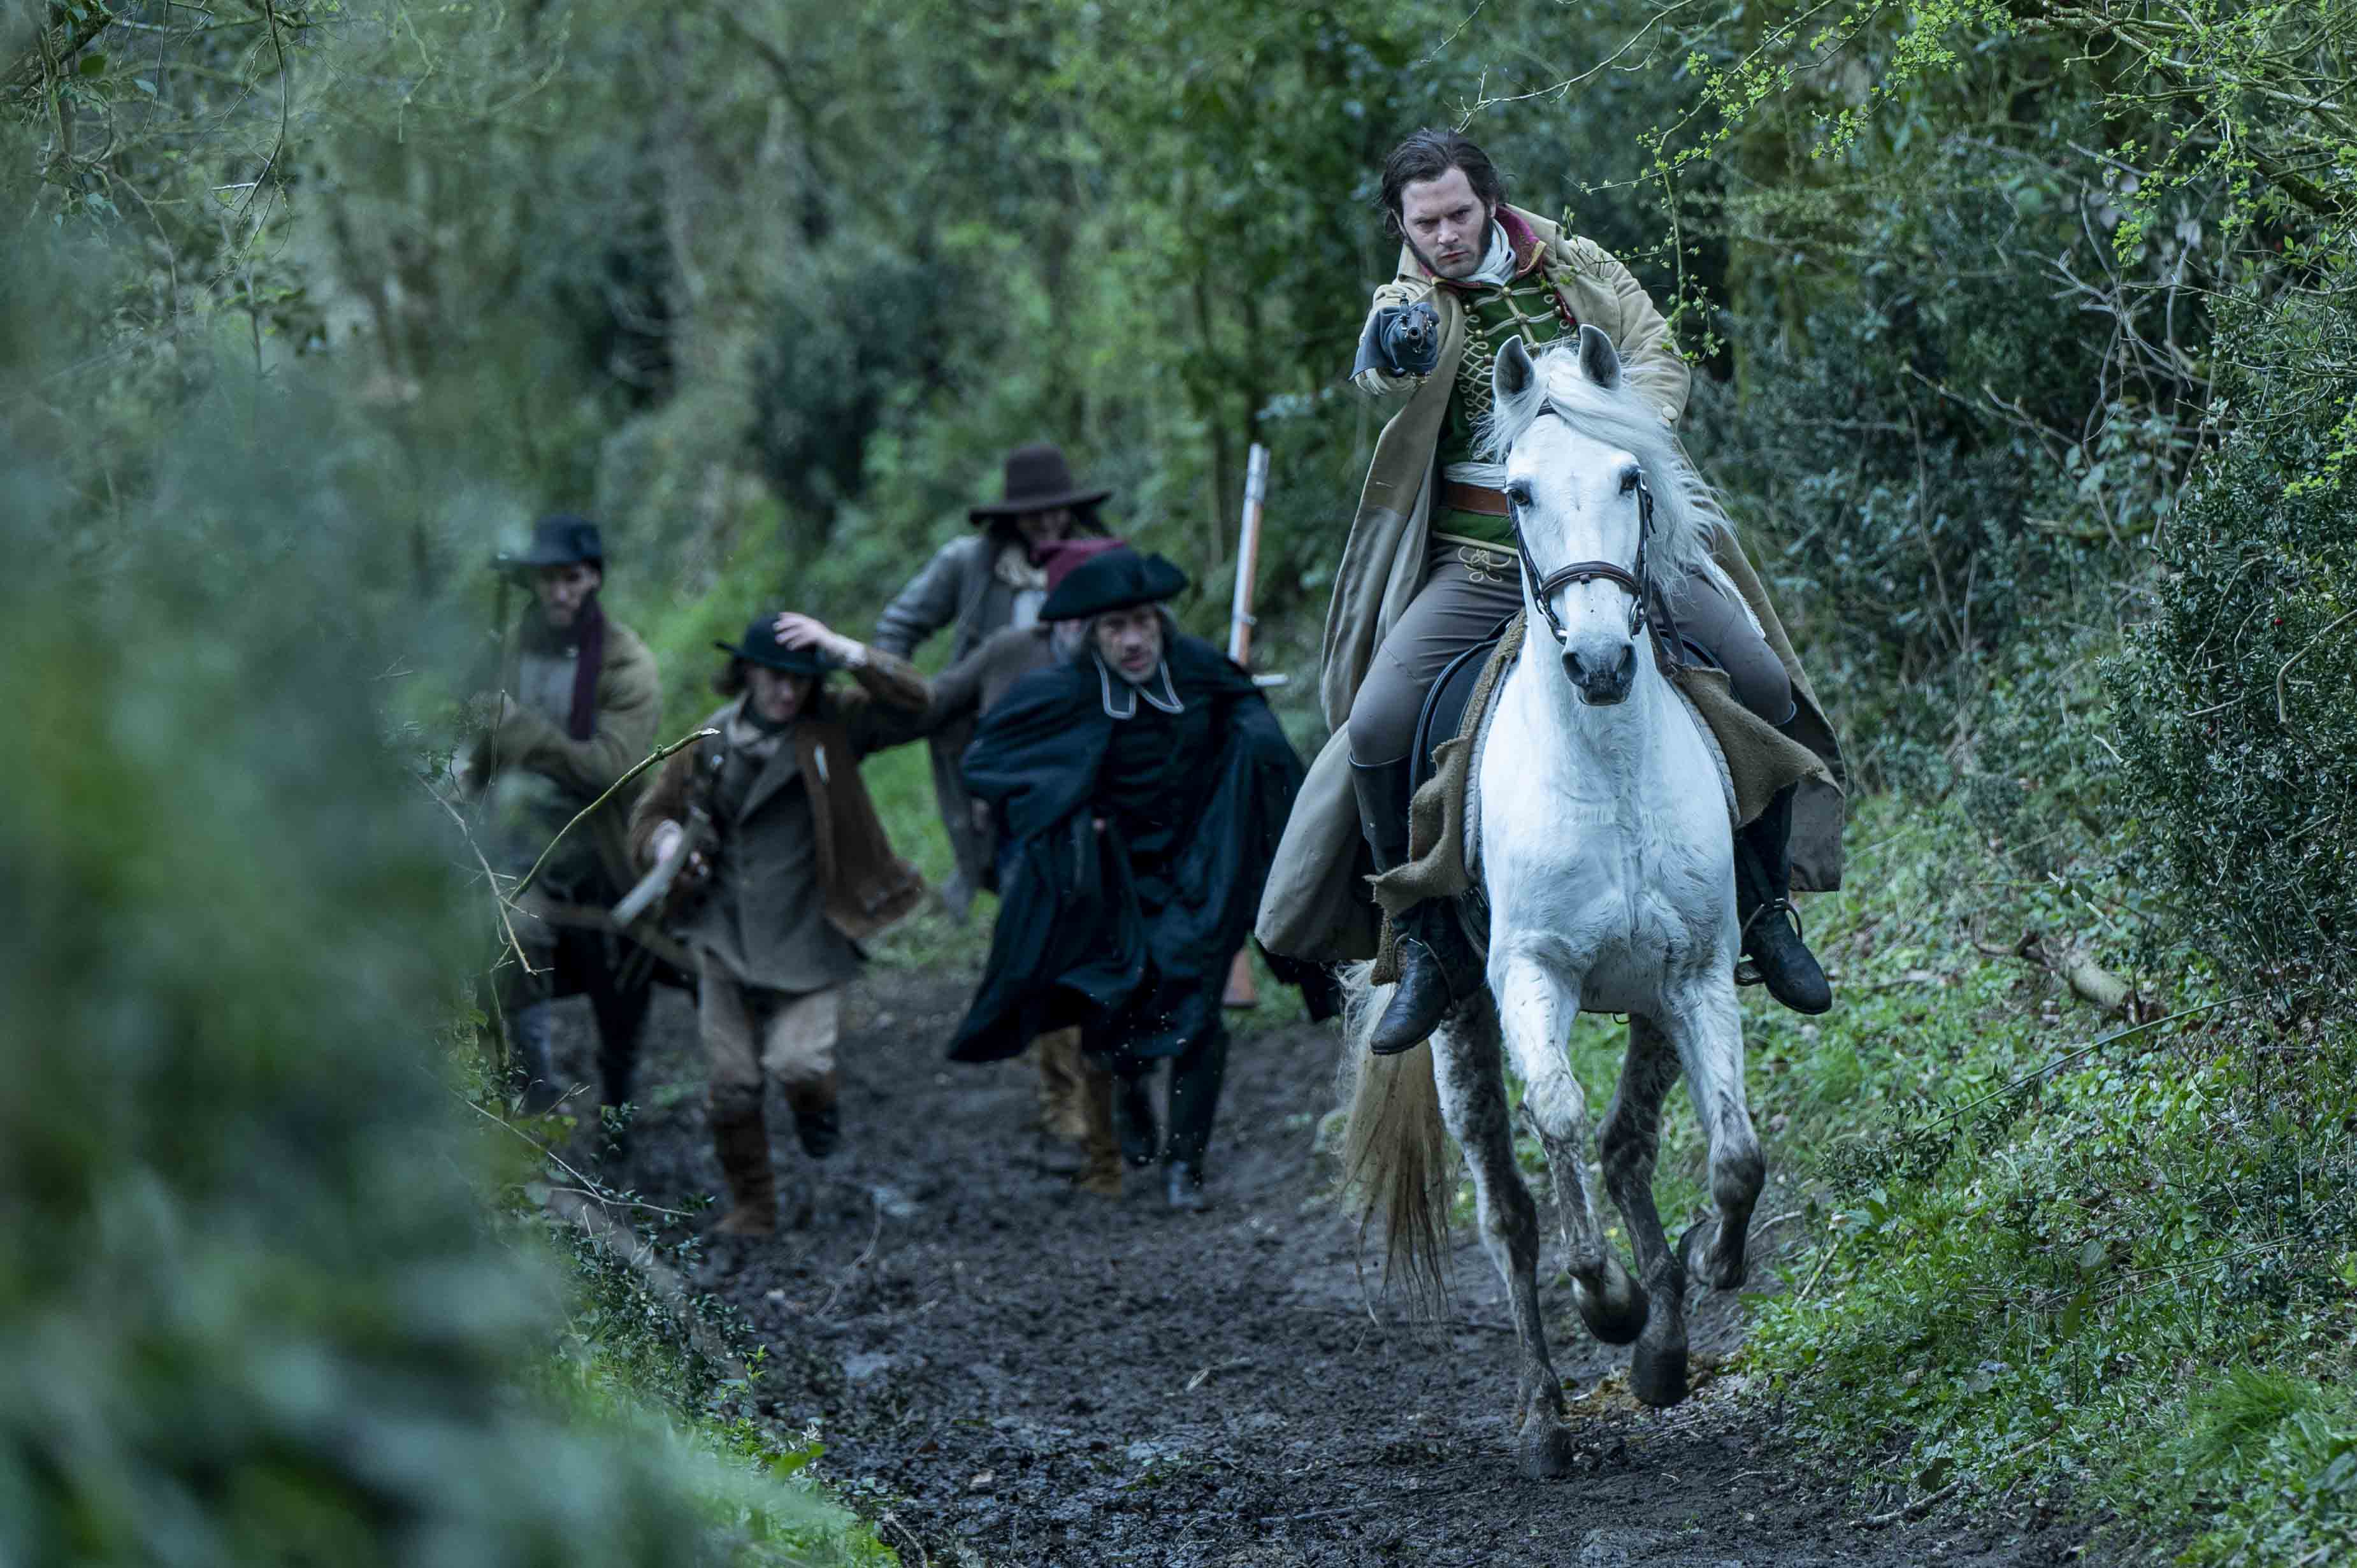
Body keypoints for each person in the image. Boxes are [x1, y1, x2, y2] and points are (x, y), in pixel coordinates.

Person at [1258, 128, 1846, 1051]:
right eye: (1424, 224)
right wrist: (1391, 346)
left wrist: (1611, 433)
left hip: (1618, 549)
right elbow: (1379, 367)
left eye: (1457, 213)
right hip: (1479, 562)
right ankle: (1418, 943)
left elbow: (1653, 347)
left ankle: (1764, 908)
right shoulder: (1408, 301)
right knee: (1373, 725)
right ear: (1401, 227)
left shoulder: (1574, 261)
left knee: (1763, 684)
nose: (1445, 235)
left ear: (1487, 200)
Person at [948, 547, 1308, 1211]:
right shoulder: (1062, 692)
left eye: (1143, 621)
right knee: (1115, 1012)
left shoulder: (1197, 668)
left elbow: (1249, 713)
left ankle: (1186, 1166)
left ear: (1160, 622)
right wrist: (1070, 810)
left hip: (1199, 870)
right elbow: (988, 760)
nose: (1134, 639)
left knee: (1199, 1014)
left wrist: (1259, 750)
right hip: (1110, 883)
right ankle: (1134, 1095)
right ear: (1092, 634)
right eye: (1116, 627)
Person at [628, 612, 930, 1237]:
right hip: (723, 931)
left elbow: (918, 705)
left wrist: (845, 647)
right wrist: (665, 842)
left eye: (800, 678)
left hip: (809, 931)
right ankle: (754, 1207)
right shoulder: (710, 741)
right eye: (775, 676)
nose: (787, 692)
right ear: (748, 672)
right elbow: (650, 812)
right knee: (732, 1083)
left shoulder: (834, 729)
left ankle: (820, 1112)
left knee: (799, 1064)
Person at [925, 536, 1129, 1195]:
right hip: (1033, 847)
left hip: (1116, 850)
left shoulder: (1129, 656)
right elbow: (947, 710)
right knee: (1049, 968)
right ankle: (1067, 1110)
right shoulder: (1016, 655)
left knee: (1116, 981)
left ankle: (1121, 1122)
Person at [466, 514, 663, 1118]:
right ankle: (534, 1097)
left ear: (594, 579)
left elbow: (611, 769)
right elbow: (479, 750)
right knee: (506, 937)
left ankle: (620, 1101)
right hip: (522, 847)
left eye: (572, 577)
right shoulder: (506, 650)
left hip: (604, 849)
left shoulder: (628, 665)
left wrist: (521, 729)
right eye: (548, 578)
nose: (559, 591)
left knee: (625, 987)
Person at [874, 442, 1110, 919]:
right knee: (1016, 866)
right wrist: (902, 689)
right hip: (999, 747)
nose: (1044, 522)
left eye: (1054, 510)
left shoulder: (1099, 561)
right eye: (1031, 513)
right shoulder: (971, 564)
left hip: (1086, 738)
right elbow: (898, 626)